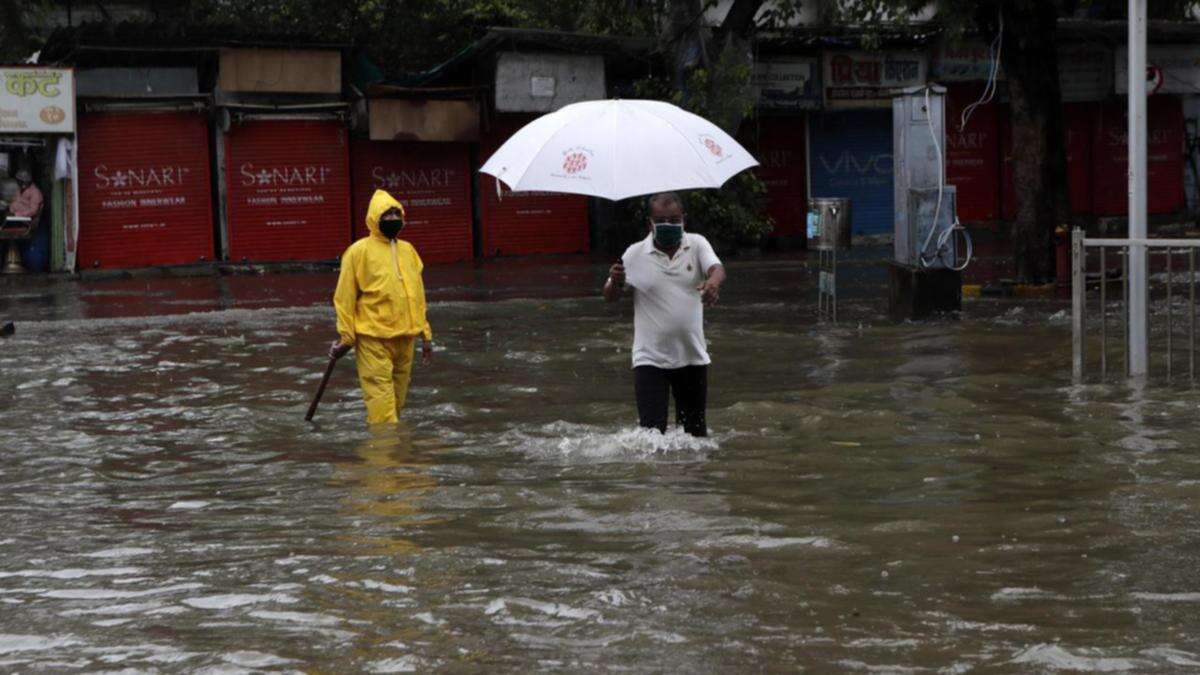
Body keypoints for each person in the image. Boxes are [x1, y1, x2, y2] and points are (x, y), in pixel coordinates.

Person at [603, 192, 725, 437]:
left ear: (684, 220)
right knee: (650, 438)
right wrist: (615, 282)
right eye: (661, 220)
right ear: (650, 223)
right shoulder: (634, 254)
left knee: (695, 437)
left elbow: (717, 268)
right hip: (650, 360)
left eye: (674, 219)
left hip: (692, 356)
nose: (668, 225)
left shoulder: (697, 244)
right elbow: (610, 296)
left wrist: (712, 283)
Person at [330, 189, 433, 425]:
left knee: (397, 403)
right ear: (374, 218)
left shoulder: (409, 251)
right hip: (373, 338)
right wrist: (346, 338)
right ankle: (385, 456)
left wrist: (425, 335)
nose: (393, 219)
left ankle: (393, 453)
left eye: (397, 213)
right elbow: (344, 297)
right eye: (387, 214)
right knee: (382, 408)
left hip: (406, 338)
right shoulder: (359, 252)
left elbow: (417, 296)